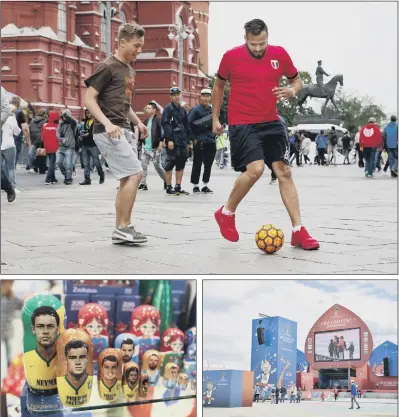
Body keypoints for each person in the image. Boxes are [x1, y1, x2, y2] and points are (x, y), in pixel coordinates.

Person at [212, 18, 319, 250]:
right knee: (256, 170)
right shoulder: (231, 57)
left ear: (267, 37)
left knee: (284, 171)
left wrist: (292, 90)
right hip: (242, 122)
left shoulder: (279, 54)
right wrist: (215, 118)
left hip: (271, 120)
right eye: (253, 44)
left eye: (262, 43)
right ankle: (226, 212)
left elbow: (297, 80)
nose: (258, 48)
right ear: (245, 39)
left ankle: (299, 231)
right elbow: (218, 86)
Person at [84, 22, 149, 244]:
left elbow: (124, 102)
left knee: (126, 178)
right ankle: (124, 227)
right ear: (122, 43)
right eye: (136, 46)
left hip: (124, 128)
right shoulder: (108, 66)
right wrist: (107, 123)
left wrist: (138, 122)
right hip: (108, 130)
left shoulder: (129, 69)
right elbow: (88, 98)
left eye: (141, 46)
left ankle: (121, 229)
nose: (139, 50)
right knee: (135, 173)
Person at [23, 306, 60, 395]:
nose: (45, 331)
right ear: (33, 329)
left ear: (57, 330)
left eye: (50, 326)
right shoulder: (27, 357)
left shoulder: (66, 358)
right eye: (40, 326)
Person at [162, 87, 190, 195]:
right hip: (173, 141)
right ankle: (169, 187)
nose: (177, 97)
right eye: (174, 95)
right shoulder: (168, 109)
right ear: (171, 97)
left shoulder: (182, 110)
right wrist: (169, 139)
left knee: (181, 164)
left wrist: (189, 140)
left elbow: (186, 125)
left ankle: (178, 186)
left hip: (182, 141)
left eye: (178, 94)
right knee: (170, 164)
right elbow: (166, 124)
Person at [189, 88, 216, 193]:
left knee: (208, 164)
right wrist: (193, 138)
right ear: (200, 97)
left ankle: (205, 184)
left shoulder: (213, 110)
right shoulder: (195, 110)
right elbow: (188, 124)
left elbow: (218, 122)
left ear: (210, 97)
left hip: (211, 140)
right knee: (197, 163)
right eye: (204, 95)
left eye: (208, 96)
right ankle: (195, 185)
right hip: (199, 141)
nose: (206, 98)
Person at [138, 102, 166, 191]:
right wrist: (141, 141)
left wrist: (161, 143)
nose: (147, 109)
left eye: (149, 108)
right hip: (146, 147)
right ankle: (143, 183)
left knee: (157, 166)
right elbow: (142, 133)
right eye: (146, 108)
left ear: (154, 110)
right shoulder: (145, 121)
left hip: (155, 147)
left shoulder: (158, 120)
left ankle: (166, 181)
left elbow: (162, 132)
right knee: (143, 166)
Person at [57, 340, 92, 406]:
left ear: (87, 359)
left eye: (82, 357)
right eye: (72, 358)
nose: (78, 362)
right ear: (66, 360)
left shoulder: (93, 381)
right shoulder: (59, 381)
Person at [79, 109, 105, 185]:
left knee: (96, 162)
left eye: (89, 113)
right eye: (86, 113)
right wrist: (83, 133)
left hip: (93, 145)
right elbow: (85, 130)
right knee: (86, 163)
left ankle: (101, 174)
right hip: (85, 144)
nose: (88, 115)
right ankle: (87, 179)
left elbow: (97, 132)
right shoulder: (85, 121)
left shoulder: (96, 122)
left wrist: (89, 134)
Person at [0, 281, 23, 364]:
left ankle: (9, 371)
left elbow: (22, 305)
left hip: (7, 330)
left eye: (9, 283)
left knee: (8, 353)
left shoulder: (13, 298)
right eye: (4, 283)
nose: (6, 285)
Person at [56, 109, 78, 185]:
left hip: (70, 146)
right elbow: (57, 134)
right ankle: (66, 174)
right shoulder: (60, 124)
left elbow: (74, 120)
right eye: (62, 116)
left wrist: (65, 114)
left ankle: (69, 178)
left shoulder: (73, 124)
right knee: (58, 162)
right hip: (61, 147)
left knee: (68, 163)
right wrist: (61, 139)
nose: (63, 117)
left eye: (65, 115)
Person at [1, 108, 20, 193]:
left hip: (1, 145)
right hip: (9, 145)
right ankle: (12, 187)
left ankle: (4, 185)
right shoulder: (11, 118)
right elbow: (17, 132)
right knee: (11, 168)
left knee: (1, 168)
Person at [9, 95, 30, 167]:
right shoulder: (20, 113)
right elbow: (25, 129)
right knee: (12, 164)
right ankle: (9, 178)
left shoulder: (4, 111)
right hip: (16, 139)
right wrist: (28, 140)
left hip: (4, 139)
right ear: (19, 103)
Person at [42, 111, 60, 185]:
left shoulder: (45, 125)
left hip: (47, 146)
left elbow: (42, 136)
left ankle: (53, 178)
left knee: (51, 161)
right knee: (52, 163)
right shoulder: (57, 126)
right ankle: (48, 179)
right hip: (55, 146)